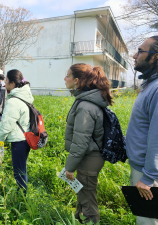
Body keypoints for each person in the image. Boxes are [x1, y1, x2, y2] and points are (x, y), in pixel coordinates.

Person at [64, 63, 113, 224]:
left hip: (89, 158)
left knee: (87, 200)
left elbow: (80, 142)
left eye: (68, 75)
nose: (65, 78)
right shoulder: (85, 101)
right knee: (83, 195)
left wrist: (70, 167)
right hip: (88, 157)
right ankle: (79, 220)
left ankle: (91, 221)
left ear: (77, 80)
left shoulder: (85, 106)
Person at [126, 36, 158, 225]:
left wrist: (148, 178)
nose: (134, 55)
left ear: (156, 57)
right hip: (144, 169)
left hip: (149, 175)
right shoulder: (150, 85)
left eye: (140, 51)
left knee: (148, 221)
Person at [0, 69, 33, 194]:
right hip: (25, 137)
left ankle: (22, 197)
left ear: (12, 83)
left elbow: (6, 125)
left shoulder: (13, 101)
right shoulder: (25, 96)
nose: (4, 82)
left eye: (5, 80)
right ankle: (22, 193)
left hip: (18, 140)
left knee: (19, 171)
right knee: (22, 168)